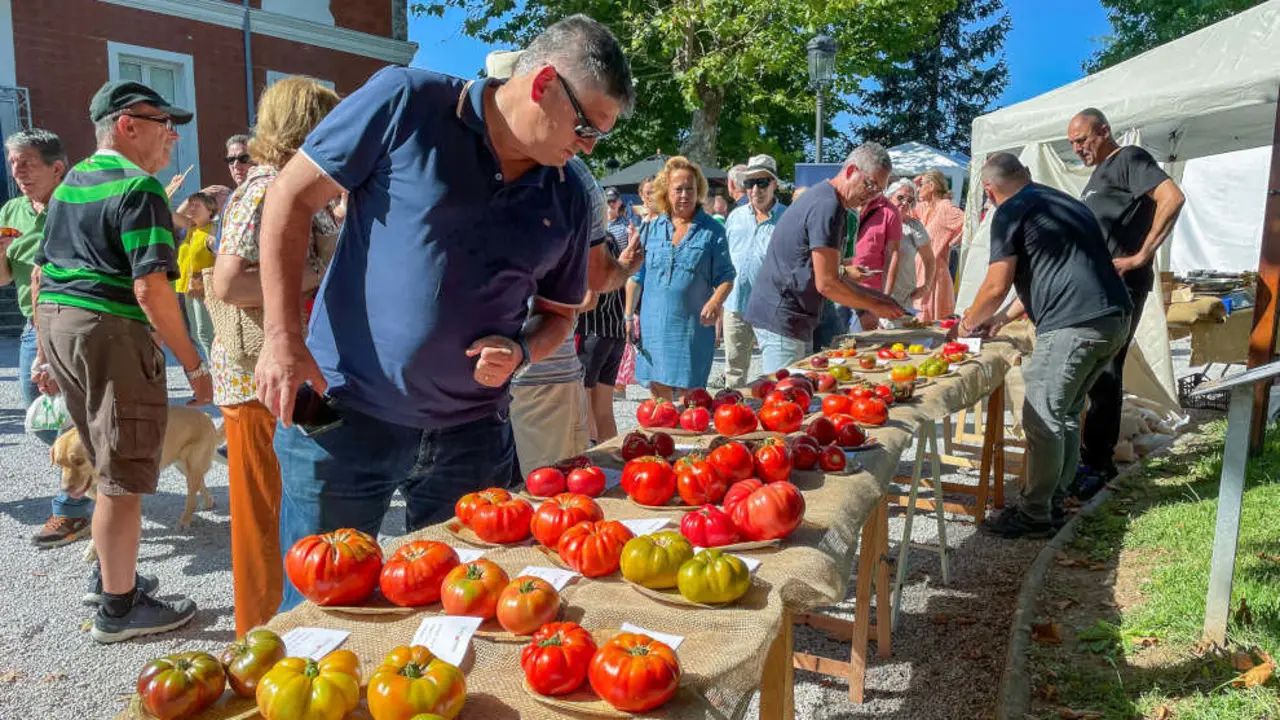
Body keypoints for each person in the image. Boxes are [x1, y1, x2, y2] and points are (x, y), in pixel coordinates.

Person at [251, 16, 634, 612]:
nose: (588, 147)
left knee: (456, 613)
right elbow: (289, 196)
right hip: (341, 412)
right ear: (541, 86)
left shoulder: (567, 194)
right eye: (586, 127)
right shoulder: (407, 100)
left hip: (473, 437)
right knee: (315, 611)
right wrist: (282, 338)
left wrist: (524, 352)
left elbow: (563, 314)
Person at [34, 80, 212, 642]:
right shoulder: (140, 187)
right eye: (163, 122)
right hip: (110, 333)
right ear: (127, 125)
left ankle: (110, 571)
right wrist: (194, 362)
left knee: (99, 447)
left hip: (62, 324)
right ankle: (119, 607)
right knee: (122, 475)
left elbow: (42, 274)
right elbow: (151, 289)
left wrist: (43, 352)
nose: (172, 134)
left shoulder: (70, 186)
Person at [209, 76, 341, 635]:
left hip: (284, 378)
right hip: (257, 382)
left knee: (289, 520)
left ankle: (279, 640)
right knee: (266, 527)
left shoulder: (293, 184)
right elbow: (228, 281)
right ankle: (259, 644)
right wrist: (319, 273)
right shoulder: (265, 185)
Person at [480, 47, 640, 478]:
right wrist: (624, 269)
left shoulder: (567, 178)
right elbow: (595, 280)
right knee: (541, 507)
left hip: (510, 376)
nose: (584, 142)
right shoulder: (577, 178)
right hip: (526, 381)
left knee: (531, 511)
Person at [953, 153, 1131, 539]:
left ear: (988, 189)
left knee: (1042, 418)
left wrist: (967, 322)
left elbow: (996, 284)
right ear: (1026, 174)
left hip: (1075, 324)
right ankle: (1055, 499)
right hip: (1112, 318)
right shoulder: (1063, 202)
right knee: (1065, 413)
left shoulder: (1009, 211)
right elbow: (1050, 272)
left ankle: (1035, 515)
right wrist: (1001, 318)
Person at [1068, 107, 1185, 492]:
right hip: (1095, 288)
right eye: (1072, 144)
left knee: (1105, 373)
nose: (1077, 149)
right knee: (1094, 372)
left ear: (1104, 131)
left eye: (1082, 140)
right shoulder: (1098, 175)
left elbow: (1172, 197)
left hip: (1122, 286)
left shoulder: (1130, 159)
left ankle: (1098, 466)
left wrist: (1141, 255)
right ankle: (1089, 460)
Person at [745, 143, 905, 372]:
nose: (871, 195)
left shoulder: (832, 203)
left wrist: (878, 299)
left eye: (879, 190)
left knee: (799, 389)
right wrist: (875, 304)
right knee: (784, 398)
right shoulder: (827, 205)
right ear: (850, 171)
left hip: (792, 315)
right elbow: (828, 283)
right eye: (869, 184)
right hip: (782, 315)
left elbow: (834, 274)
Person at [0, 130, 85, 547]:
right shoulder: (11, 211)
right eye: (13, 163)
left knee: (71, 413)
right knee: (40, 417)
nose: (18, 172)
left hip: (76, 322)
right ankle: (95, 470)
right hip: (32, 326)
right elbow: (4, 278)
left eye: (27, 163)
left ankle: (72, 508)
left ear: (57, 167)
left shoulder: (78, 204)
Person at [626, 156, 735, 399]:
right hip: (653, 325)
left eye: (690, 188)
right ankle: (660, 437)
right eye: (678, 189)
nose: (685, 195)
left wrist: (715, 302)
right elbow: (636, 277)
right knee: (658, 397)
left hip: (691, 328)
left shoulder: (712, 230)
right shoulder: (650, 229)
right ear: (666, 191)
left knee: (692, 396)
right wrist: (626, 316)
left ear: (698, 191)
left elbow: (727, 277)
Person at [721, 153, 785, 388]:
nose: (755, 189)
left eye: (762, 182)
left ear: (774, 184)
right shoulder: (735, 217)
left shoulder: (787, 218)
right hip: (736, 304)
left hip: (771, 307)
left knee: (775, 371)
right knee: (734, 371)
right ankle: (731, 417)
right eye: (749, 183)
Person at [579, 186, 632, 442]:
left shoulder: (586, 243)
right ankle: (611, 463)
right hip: (613, 333)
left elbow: (589, 299)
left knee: (586, 408)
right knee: (605, 410)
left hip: (591, 332)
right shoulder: (610, 238)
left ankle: (596, 466)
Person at [881, 179, 935, 325]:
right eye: (900, 198)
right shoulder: (877, 221)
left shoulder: (914, 227)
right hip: (873, 294)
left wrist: (926, 285)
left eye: (910, 200)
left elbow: (929, 259)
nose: (905, 203)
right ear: (889, 197)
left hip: (902, 297)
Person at [914, 168, 965, 321]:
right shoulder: (927, 208)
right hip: (921, 273)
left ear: (931, 186)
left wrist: (953, 242)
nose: (918, 188)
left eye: (921, 185)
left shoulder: (945, 207)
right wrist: (915, 184)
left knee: (930, 320)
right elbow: (909, 210)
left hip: (935, 275)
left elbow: (969, 224)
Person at [173, 190, 218, 358]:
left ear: (210, 210)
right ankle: (211, 371)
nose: (191, 208)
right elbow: (170, 214)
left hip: (204, 290)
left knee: (206, 334)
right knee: (196, 335)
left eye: (197, 205)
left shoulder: (212, 231)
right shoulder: (191, 228)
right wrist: (189, 197)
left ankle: (216, 375)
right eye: (190, 205)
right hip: (186, 288)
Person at [851, 184, 903, 327]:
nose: (873, 187)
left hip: (869, 290)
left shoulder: (889, 212)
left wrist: (885, 296)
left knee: (865, 342)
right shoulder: (846, 203)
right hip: (840, 284)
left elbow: (893, 254)